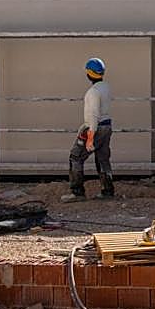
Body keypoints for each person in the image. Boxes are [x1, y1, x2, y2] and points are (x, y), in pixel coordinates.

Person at [62, 57, 114, 202]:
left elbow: (93, 116)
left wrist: (90, 138)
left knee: (76, 157)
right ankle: (107, 191)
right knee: (103, 159)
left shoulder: (93, 92)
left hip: (95, 128)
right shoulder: (106, 87)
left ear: (90, 73)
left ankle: (77, 192)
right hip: (107, 127)